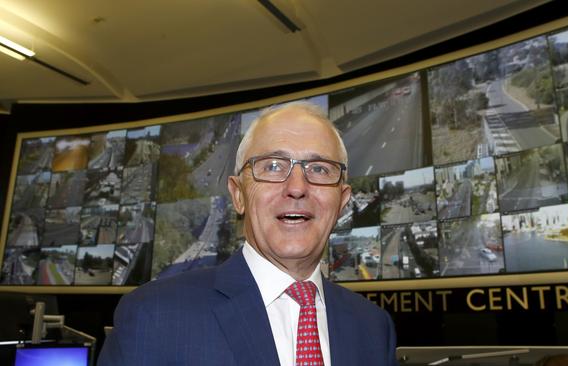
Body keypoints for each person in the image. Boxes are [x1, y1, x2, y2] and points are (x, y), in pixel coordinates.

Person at [98, 101, 398, 365]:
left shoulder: (373, 328)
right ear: (238, 194)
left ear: (342, 201)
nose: (297, 187)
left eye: (319, 169)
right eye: (273, 166)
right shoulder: (155, 316)